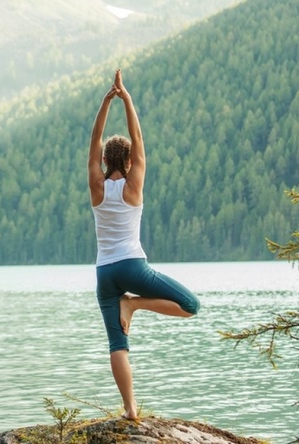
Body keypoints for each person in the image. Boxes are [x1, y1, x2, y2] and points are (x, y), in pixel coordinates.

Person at [87, 69, 201, 421]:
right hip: (133, 267)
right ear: (131, 161)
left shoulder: (97, 186)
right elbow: (137, 136)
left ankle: (130, 409)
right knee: (190, 305)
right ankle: (134, 306)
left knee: (117, 345)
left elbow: (94, 141)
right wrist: (128, 99)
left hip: (105, 273)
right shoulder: (134, 184)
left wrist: (106, 101)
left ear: (105, 161)